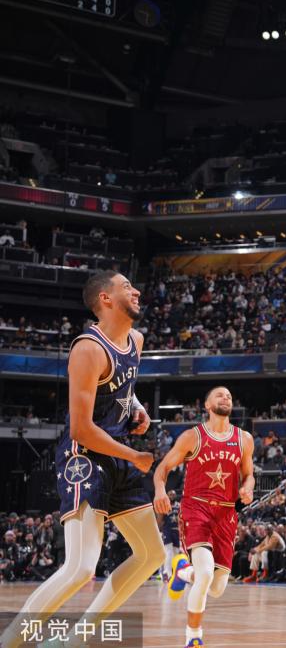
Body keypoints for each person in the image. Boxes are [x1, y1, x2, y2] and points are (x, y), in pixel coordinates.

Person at [1, 271, 165, 648]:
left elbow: (124, 388)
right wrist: (134, 455)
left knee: (152, 554)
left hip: (118, 454)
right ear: (106, 299)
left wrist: (137, 408)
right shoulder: (87, 350)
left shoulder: (135, 340)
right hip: (86, 456)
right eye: (127, 287)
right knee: (80, 567)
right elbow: (81, 430)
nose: (137, 291)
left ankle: (73, 640)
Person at [153, 386, 255, 648]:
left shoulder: (244, 439)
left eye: (230, 395)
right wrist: (160, 490)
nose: (226, 397)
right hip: (196, 509)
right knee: (207, 572)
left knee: (217, 587)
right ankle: (193, 636)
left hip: (226, 514)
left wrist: (248, 487)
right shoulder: (192, 437)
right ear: (207, 405)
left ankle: (183, 571)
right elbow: (162, 468)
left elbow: (249, 474)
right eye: (219, 394)